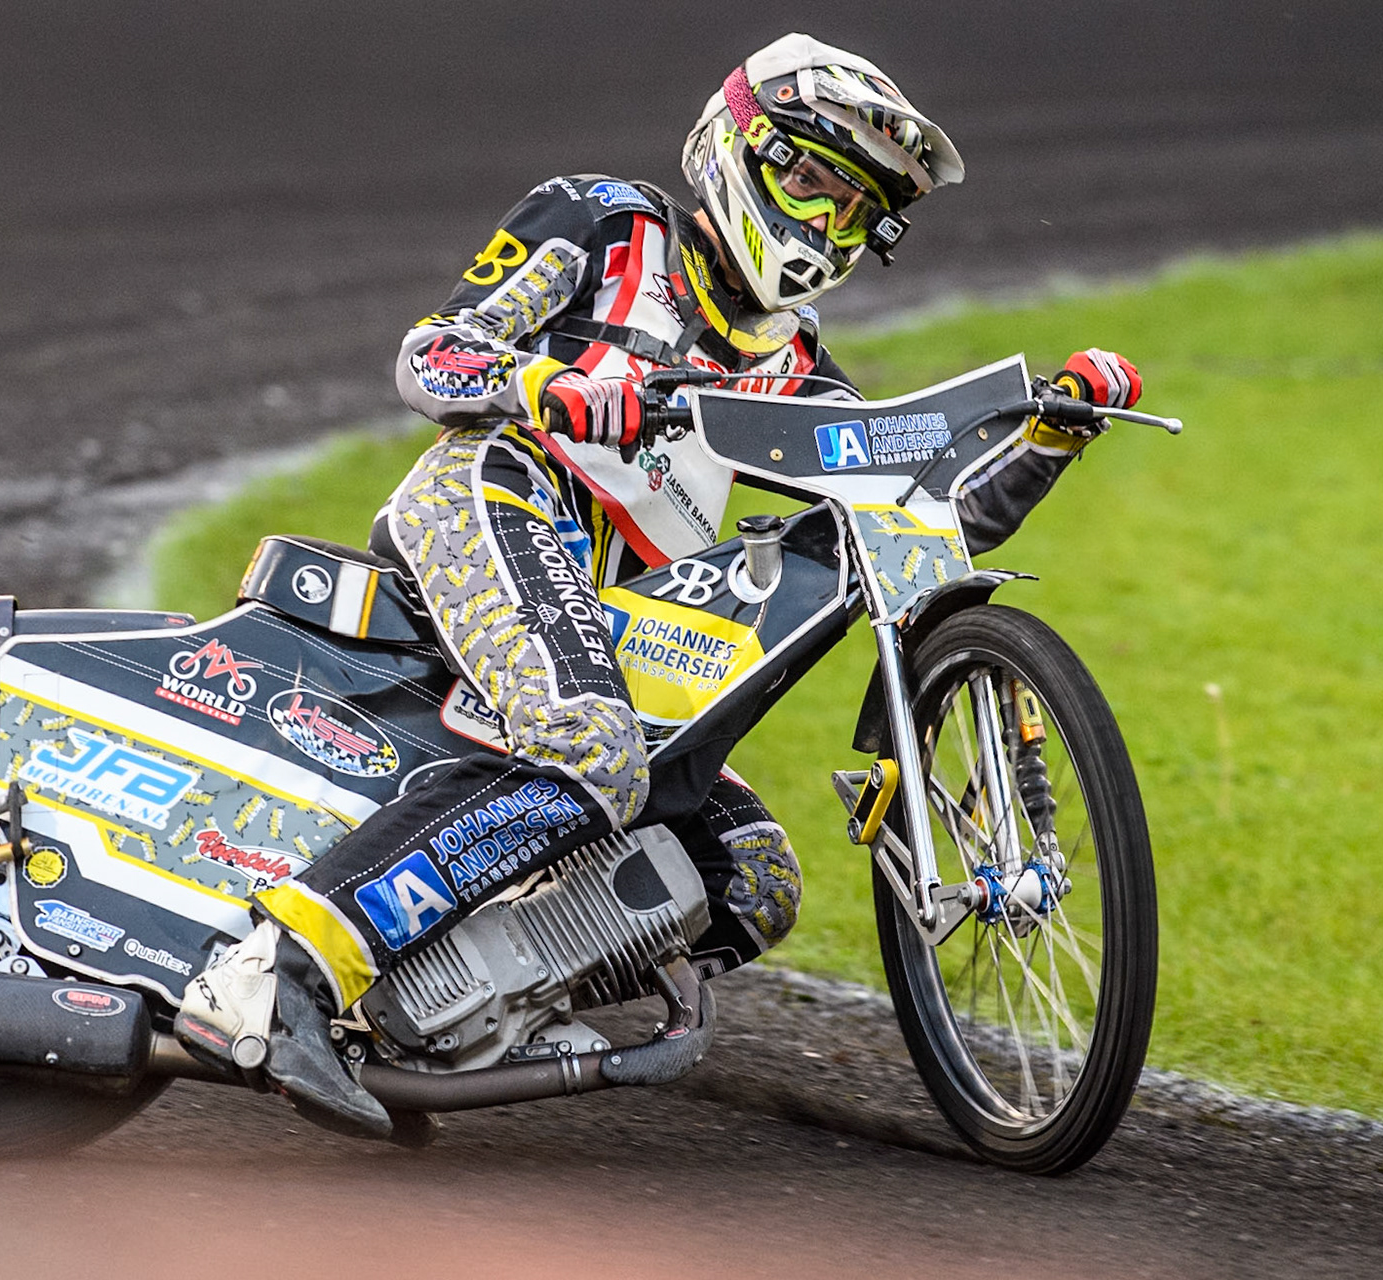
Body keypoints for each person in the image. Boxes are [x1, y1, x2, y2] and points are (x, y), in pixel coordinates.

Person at [177, 32, 1143, 1139]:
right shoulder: (603, 221)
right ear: (736, 149)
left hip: (598, 609)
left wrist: (1046, 439)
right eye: (811, 186)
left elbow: (913, 529)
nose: (825, 228)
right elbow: (432, 356)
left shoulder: (797, 370)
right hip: (491, 498)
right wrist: (551, 382)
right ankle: (278, 964)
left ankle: (427, 1004)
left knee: (750, 874)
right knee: (594, 745)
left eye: (856, 212)